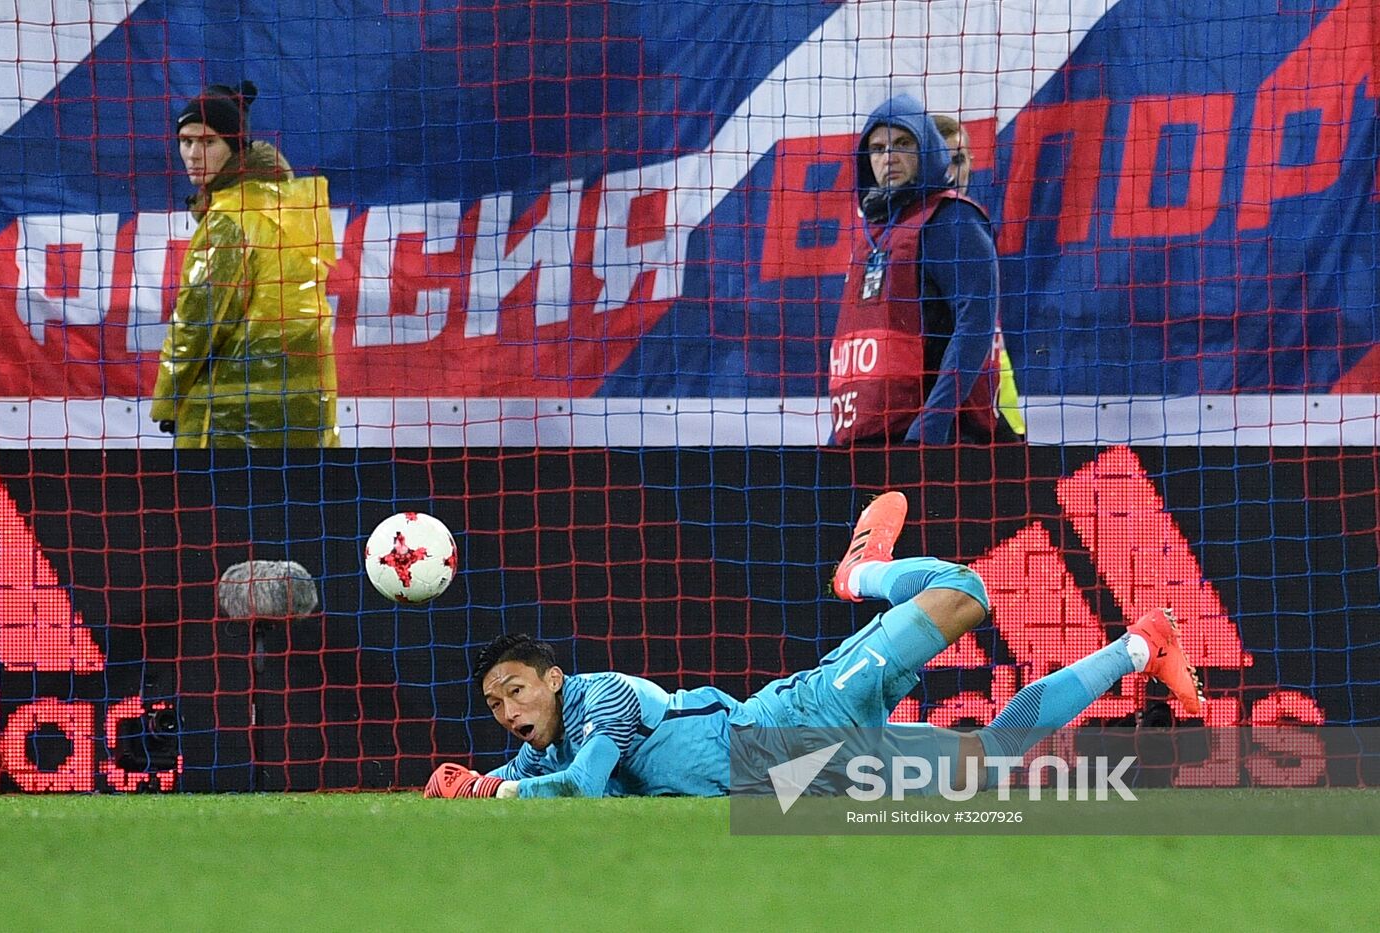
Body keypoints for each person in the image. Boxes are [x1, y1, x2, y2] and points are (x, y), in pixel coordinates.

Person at [424, 491, 1203, 799]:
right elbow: (514, 778)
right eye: (494, 703)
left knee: (966, 591)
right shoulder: (541, 748)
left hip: (795, 719)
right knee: (993, 759)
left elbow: (585, 783)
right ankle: (1142, 646)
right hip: (808, 775)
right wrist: (466, 785)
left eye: (516, 689)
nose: (507, 710)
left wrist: (496, 792)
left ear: (555, 678)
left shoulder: (604, 697)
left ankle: (862, 572)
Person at [150, 81, 339, 448]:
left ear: (235, 147)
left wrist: (167, 400)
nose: (193, 154)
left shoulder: (228, 219)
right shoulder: (290, 204)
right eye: (186, 142)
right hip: (304, 408)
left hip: (233, 416)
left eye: (208, 143)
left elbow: (197, 323)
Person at [827, 94, 1017, 445]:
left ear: (927, 147)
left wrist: (929, 429)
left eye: (902, 143)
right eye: (878, 147)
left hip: (939, 441)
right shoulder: (875, 232)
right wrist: (839, 436)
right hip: (873, 439)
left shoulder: (953, 218)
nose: (889, 157)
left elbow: (974, 324)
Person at [932, 112, 1027, 438]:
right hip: (951, 422)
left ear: (971, 162)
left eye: (959, 159)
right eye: (942, 160)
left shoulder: (970, 225)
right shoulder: (920, 233)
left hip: (996, 415)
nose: (951, 172)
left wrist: (1010, 425)